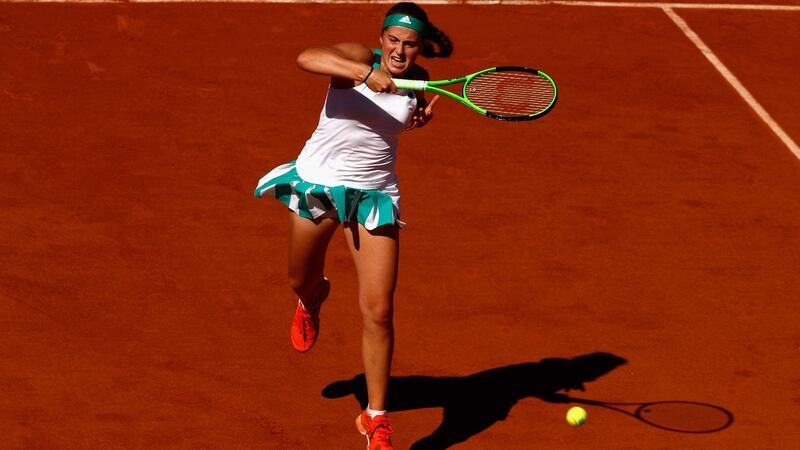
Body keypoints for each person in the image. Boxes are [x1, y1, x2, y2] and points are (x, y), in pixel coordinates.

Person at [254, 3, 453, 449]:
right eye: (393, 40)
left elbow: (397, 119)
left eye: (410, 44)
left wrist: (415, 118)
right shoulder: (357, 58)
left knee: (379, 310)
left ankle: (375, 417)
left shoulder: (417, 81)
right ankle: (312, 299)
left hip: (374, 197)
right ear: (381, 38)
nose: (399, 50)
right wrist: (364, 74)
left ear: (420, 47)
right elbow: (307, 57)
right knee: (298, 278)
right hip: (320, 185)